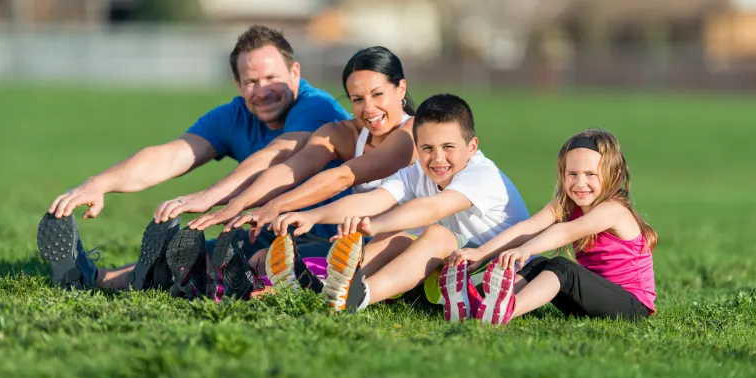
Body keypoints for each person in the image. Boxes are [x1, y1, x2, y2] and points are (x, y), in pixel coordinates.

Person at [36, 25, 350, 296]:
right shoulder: (235, 115)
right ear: (238, 85)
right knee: (191, 256)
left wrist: (209, 197)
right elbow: (172, 154)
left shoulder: (318, 108)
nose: (263, 90)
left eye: (271, 78)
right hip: (268, 228)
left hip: (331, 232)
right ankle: (91, 277)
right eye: (251, 82)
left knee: (245, 264)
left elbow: (277, 156)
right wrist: (99, 184)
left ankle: (195, 277)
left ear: (295, 73)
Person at [177, 46, 419, 300]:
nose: (368, 109)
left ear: (400, 88)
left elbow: (344, 176)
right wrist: (236, 205)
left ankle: (240, 290)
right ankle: (199, 281)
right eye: (357, 99)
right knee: (263, 254)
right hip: (353, 244)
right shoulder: (343, 134)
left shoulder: (414, 132)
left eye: (377, 94)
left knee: (271, 262)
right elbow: (290, 169)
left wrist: (277, 205)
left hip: (403, 246)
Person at [268, 94, 530, 315]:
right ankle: (332, 287)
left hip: (503, 276)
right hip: (454, 275)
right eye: (427, 148)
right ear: (417, 146)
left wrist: (372, 224)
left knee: (436, 234)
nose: (438, 158)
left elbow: (432, 208)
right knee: (395, 234)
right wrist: (313, 216)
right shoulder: (416, 171)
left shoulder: (481, 173)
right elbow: (373, 200)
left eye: (448, 147)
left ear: (472, 146)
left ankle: (359, 297)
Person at [446, 128, 657, 324]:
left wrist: (525, 249)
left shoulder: (613, 210)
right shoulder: (566, 204)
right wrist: (481, 253)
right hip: (589, 299)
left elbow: (565, 231)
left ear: (614, 174)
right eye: (572, 174)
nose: (580, 183)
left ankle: (507, 310)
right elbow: (527, 228)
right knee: (538, 264)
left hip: (631, 307)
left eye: (590, 174)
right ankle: (483, 307)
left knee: (562, 267)